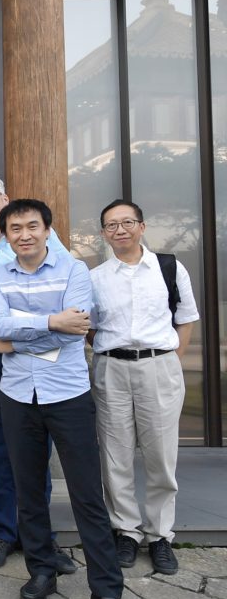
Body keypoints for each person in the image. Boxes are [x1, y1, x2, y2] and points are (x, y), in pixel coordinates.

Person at [0, 198, 130, 599]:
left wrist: (19, 336)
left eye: (32, 226)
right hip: (17, 396)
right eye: (16, 228)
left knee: (88, 495)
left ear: (48, 230)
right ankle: (42, 571)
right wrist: (52, 322)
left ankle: (106, 591)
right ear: (7, 235)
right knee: (28, 491)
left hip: (67, 395)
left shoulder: (74, 271)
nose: (24, 234)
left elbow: (78, 330)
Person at [0, 175, 76, 572]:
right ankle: (2, 532)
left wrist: (21, 335)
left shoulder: (45, 241)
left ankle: (41, 537)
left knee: (36, 444)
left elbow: (68, 303)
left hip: (43, 354)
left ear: (5, 199)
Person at [89, 199, 199, 576]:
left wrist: (171, 361)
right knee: (115, 454)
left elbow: (185, 319)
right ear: (103, 233)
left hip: (159, 367)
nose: (119, 230)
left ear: (142, 226)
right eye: (111, 225)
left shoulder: (168, 267)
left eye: (126, 222)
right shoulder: (97, 277)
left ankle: (160, 535)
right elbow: (91, 328)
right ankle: (125, 530)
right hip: (111, 368)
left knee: (161, 456)